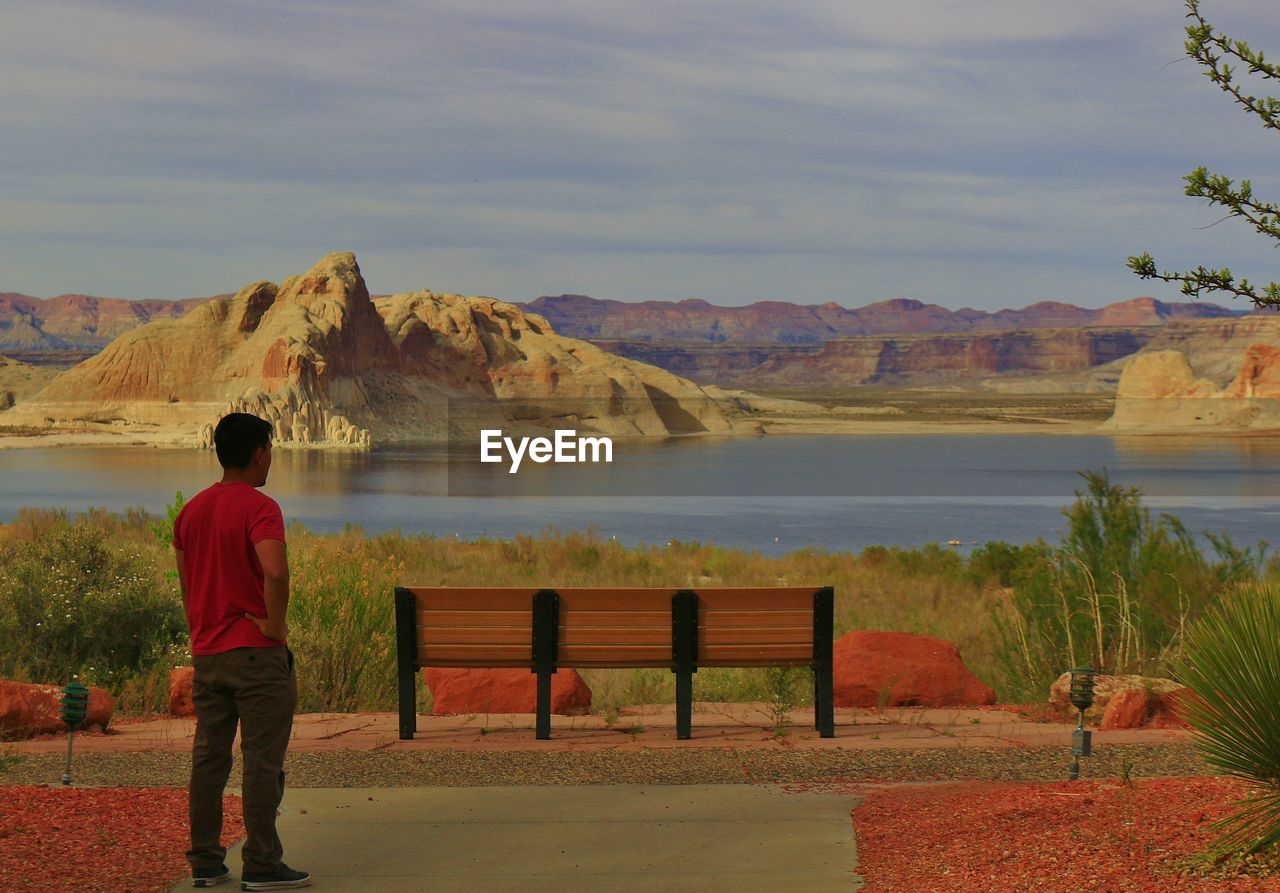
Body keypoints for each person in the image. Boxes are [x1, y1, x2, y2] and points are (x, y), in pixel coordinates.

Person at [173, 412, 311, 890]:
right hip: (257, 654)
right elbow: (275, 571)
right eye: (270, 450)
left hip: (209, 655)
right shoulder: (260, 507)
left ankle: (206, 861)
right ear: (258, 453)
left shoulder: (190, 511)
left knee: (209, 759)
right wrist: (275, 625)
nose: (271, 458)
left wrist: (203, 631)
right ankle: (262, 863)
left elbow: (189, 583)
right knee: (262, 761)